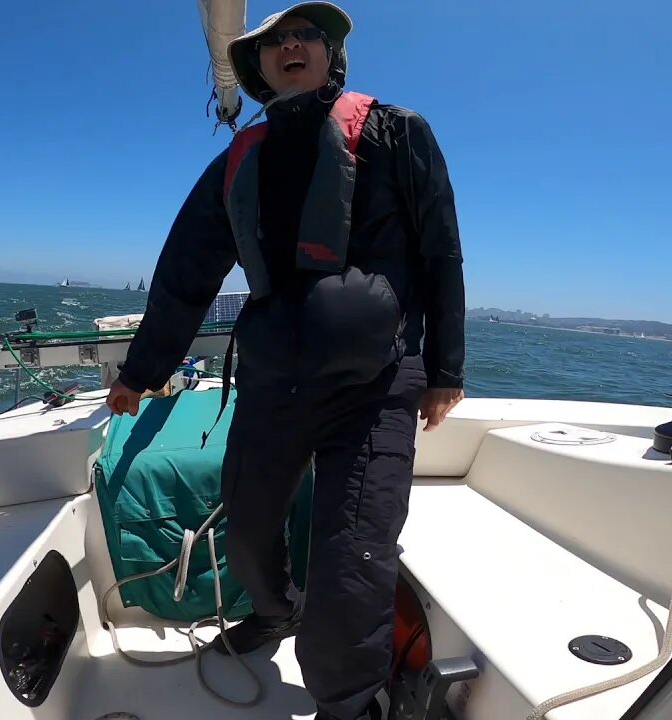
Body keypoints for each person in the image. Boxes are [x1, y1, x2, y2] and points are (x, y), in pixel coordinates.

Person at [106, 3, 465, 718]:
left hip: (376, 387)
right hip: (272, 385)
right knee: (244, 534)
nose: (289, 46)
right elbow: (185, 271)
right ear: (259, 69)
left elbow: (440, 252)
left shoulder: (397, 132)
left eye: (305, 35)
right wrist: (141, 372)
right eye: (271, 43)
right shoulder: (238, 159)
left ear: (333, 56)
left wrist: (447, 370)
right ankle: (274, 611)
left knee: (352, 564)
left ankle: (351, 704)